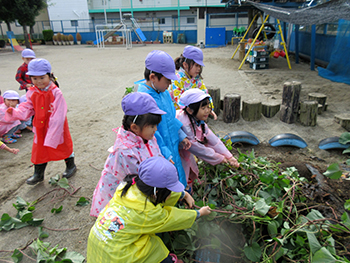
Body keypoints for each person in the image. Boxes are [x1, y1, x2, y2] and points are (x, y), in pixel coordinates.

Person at [87, 156, 212, 263]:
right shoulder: (147, 212)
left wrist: (183, 195)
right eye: (169, 191)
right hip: (117, 256)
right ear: (156, 193)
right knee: (153, 246)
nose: (170, 194)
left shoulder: (128, 187)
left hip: (97, 246)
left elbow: (160, 195)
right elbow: (170, 218)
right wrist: (199, 213)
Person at [90, 92, 166, 217]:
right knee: (119, 219)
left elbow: (155, 152)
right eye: (152, 126)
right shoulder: (126, 151)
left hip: (139, 185)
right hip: (125, 189)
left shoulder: (147, 136)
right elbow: (140, 180)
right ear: (135, 127)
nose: (155, 129)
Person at [5, 58, 76, 185]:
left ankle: (71, 166)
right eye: (34, 78)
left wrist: (53, 131)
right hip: (40, 126)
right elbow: (27, 107)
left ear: (49, 76)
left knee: (63, 146)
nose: (38, 81)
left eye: (42, 78)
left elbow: (59, 114)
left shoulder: (55, 92)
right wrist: (15, 112)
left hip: (56, 126)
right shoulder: (32, 92)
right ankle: (38, 174)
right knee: (39, 149)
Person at [137, 50, 191, 188]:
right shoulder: (144, 99)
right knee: (165, 183)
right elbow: (153, 134)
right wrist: (165, 154)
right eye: (167, 80)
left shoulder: (164, 92)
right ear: (153, 77)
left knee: (178, 174)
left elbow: (171, 118)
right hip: (160, 152)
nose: (170, 84)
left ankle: (181, 196)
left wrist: (181, 135)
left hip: (172, 144)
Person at [176, 88, 239, 187]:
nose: (207, 111)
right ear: (190, 110)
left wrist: (229, 156)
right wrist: (219, 158)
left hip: (184, 149)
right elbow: (196, 148)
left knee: (190, 170)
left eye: (208, 107)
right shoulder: (185, 123)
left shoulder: (197, 120)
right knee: (181, 174)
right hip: (175, 151)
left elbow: (213, 140)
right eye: (203, 108)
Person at [169, 45, 217, 120]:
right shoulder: (177, 79)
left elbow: (204, 93)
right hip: (179, 115)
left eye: (200, 66)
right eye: (196, 65)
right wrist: (195, 112)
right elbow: (179, 101)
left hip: (193, 112)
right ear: (185, 65)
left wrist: (209, 108)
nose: (198, 69)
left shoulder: (196, 79)